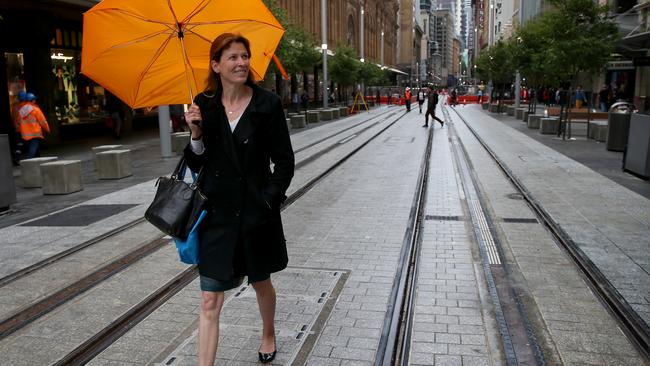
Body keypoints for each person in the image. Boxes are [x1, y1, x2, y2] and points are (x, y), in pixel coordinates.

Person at [183, 33, 294, 366]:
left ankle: (268, 333)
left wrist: (268, 201)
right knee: (208, 301)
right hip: (217, 216)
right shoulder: (204, 105)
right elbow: (197, 163)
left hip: (256, 214)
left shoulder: (267, 104)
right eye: (232, 57)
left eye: (244, 56)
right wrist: (196, 135)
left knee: (261, 281)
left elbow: (284, 161)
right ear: (216, 65)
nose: (241, 62)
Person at [14, 92, 50, 159]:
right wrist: (47, 129)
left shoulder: (21, 110)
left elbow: (18, 121)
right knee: (32, 151)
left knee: (36, 150)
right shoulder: (35, 109)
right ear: (32, 100)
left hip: (25, 134)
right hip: (35, 133)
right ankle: (29, 163)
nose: (35, 101)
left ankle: (38, 161)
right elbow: (43, 121)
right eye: (34, 99)